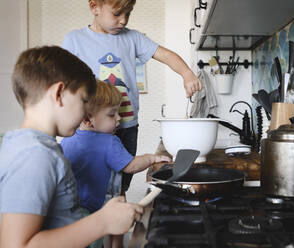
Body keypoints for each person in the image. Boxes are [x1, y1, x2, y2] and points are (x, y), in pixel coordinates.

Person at [0, 46, 144, 248]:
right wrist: (102, 222)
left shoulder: (27, 146)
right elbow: (16, 245)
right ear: (58, 93)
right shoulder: (35, 156)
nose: (86, 111)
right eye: (84, 100)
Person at [61, 0, 202, 197]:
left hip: (126, 126)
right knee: (88, 185)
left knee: (120, 185)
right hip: (88, 128)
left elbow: (166, 55)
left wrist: (186, 73)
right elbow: (62, 81)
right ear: (95, 7)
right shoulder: (75, 40)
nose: (123, 20)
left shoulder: (133, 38)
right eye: (117, 14)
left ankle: (118, 215)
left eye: (128, 14)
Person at [61, 80, 170, 247]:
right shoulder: (110, 141)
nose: (119, 119)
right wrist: (152, 158)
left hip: (73, 210)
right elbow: (131, 166)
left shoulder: (67, 140)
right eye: (112, 115)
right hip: (102, 207)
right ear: (87, 119)